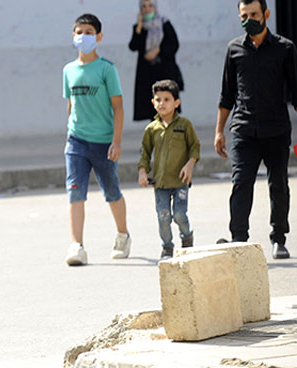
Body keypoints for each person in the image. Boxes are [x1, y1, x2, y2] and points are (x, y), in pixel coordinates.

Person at [215, 0, 297, 259]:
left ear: (266, 15)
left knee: (279, 185)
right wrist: (219, 131)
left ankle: (279, 239)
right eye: (244, 15)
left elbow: (296, 93)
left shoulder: (285, 48)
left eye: (253, 14)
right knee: (241, 183)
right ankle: (239, 239)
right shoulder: (234, 49)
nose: (248, 19)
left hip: (276, 130)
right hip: (243, 130)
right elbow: (226, 94)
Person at [63, 13, 132, 266]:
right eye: (79, 32)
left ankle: (123, 235)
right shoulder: (68, 71)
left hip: (104, 143)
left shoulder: (106, 69)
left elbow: (119, 107)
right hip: (76, 142)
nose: (84, 36)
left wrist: (117, 141)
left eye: (89, 32)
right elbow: (70, 106)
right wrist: (71, 134)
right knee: (75, 192)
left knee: (111, 191)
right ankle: (77, 245)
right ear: (73, 36)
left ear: (99, 37)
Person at [138, 80, 200, 259]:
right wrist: (143, 172)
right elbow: (145, 152)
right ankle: (167, 247)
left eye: (167, 99)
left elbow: (194, 147)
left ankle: (187, 237)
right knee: (163, 216)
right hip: (160, 183)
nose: (162, 103)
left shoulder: (185, 125)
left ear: (176, 103)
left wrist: (190, 165)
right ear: (153, 102)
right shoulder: (151, 129)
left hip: (180, 182)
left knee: (179, 214)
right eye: (158, 100)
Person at [128, 0, 184, 121]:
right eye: (143, 7)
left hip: (164, 72)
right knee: (152, 110)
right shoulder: (140, 27)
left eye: (150, 6)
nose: (147, 9)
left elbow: (174, 44)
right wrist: (138, 27)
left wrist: (158, 50)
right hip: (147, 75)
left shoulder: (164, 23)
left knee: (167, 108)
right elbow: (133, 46)